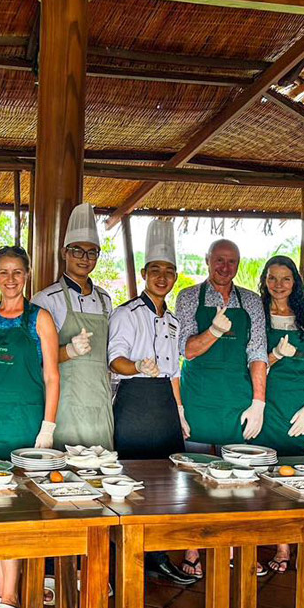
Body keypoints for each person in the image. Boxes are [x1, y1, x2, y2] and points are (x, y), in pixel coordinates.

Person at [0, 246, 60, 608]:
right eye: (4, 272)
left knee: (21, 508)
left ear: (27, 276)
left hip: (26, 423)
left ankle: (11, 593)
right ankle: (6, 589)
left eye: (18, 272)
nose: (10, 279)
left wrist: (48, 427)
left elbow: (52, 376)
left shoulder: (39, 319)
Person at [108, 219, 195, 586]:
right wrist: (138, 366)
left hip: (163, 405)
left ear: (175, 277)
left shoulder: (174, 321)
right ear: (144, 273)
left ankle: (157, 557)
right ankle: (122, 561)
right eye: (156, 270)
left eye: (169, 271)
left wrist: (180, 411)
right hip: (135, 402)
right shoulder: (126, 314)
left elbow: (174, 371)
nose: (162, 277)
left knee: (165, 485)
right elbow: (115, 360)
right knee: (130, 484)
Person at [256, 256, 304, 574]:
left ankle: (303, 546)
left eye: (285, 278)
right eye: (272, 278)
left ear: (295, 282)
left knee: (301, 478)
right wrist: (274, 354)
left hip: (300, 409)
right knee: (267, 478)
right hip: (266, 407)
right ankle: (279, 544)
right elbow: (250, 365)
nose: (279, 285)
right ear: (265, 280)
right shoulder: (256, 317)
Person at [34, 204, 115, 450]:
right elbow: (35, 358)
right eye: (77, 250)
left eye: (92, 253)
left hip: (99, 404)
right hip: (63, 405)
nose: (84, 258)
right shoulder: (46, 300)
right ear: (64, 253)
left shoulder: (105, 300)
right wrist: (68, 351)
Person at [178, 239, 268, 452]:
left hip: (236, 398)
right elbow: (187, 350)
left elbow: (257, 353)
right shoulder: (189, 296)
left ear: (238, 265)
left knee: (238, 472)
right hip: (197, 398)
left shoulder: (251, 301)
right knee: (193, 470)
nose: (225, 268)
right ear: (207, 260)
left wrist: (258, 403)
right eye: (219, 260)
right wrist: (214, 332)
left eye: (232, 262)